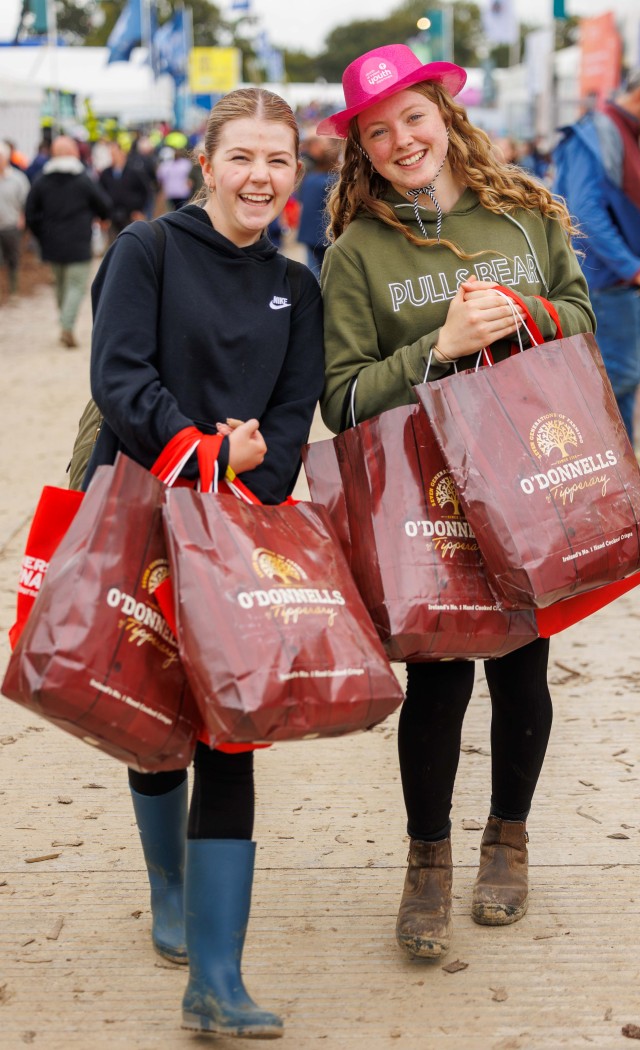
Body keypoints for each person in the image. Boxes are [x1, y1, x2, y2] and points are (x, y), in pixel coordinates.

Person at [317, 44, 595, 960]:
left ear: (445, 115)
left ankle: (507, 841)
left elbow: (582, 321)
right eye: (378, 131)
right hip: (425, 497)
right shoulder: (356, 254)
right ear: (360, 147)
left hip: (526, 481)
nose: (402, 140)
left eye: (414, 117)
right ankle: (427, 861)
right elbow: (342, 400)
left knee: (523, 669)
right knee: (437, 680)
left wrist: (527, 315)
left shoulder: (522, 214)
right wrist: (437, 347)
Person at [85, 87, 324, 1036]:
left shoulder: (297, 285)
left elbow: (293, 418)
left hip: (240, 530)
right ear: (207, 164)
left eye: (278, 160)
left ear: (295, 172)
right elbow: (120, 378)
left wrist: (250, 473)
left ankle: (217, 981)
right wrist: (207, 450)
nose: (260, 177)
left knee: (232, 727)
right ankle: (171, 891)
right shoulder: (146, 250)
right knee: (154, 716)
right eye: (243, 157)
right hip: (144, 511)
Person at [552, 62, 640, 500]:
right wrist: (633, 266)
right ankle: (613, 482)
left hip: (618, 285)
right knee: (613, 379)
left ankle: (626, 474)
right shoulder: (596, 135)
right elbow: (584, 215)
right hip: (606, 285)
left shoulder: (616, 133)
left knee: (621, 379)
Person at [25, 136, 111, 348]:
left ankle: (65, 321)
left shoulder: (42, 180)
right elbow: (103, 205)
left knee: (61, 285)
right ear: (73, 153)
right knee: (76, 286)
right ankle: (67, 324)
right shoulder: (83, 179)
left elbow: (30, 212)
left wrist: (41, 234)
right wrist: (101, 217)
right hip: (78, 241)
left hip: (52, 242)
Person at [296, 134, 342, 278]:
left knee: (312, 270)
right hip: (324, 234)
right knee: (326, 273)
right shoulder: (332, 181)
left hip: (308, 232)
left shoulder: (310, 178)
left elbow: (301, 199)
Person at [98, 140, 150, 243]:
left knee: (131, 244)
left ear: (122, 153)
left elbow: (145, 191)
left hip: (131, 217)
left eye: (114, 153)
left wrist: (140, 210)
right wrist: (103, 216)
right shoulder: (106, 174)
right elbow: (100, 195)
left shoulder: (135, 171)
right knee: (114, 245)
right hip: (112, 217)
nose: (112, 157)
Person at [0, 140, 30, 302]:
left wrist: (22, 218)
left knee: (13, 258)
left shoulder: (18, 179)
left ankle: (13, 290)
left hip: (11, 225)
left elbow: (26, 202)